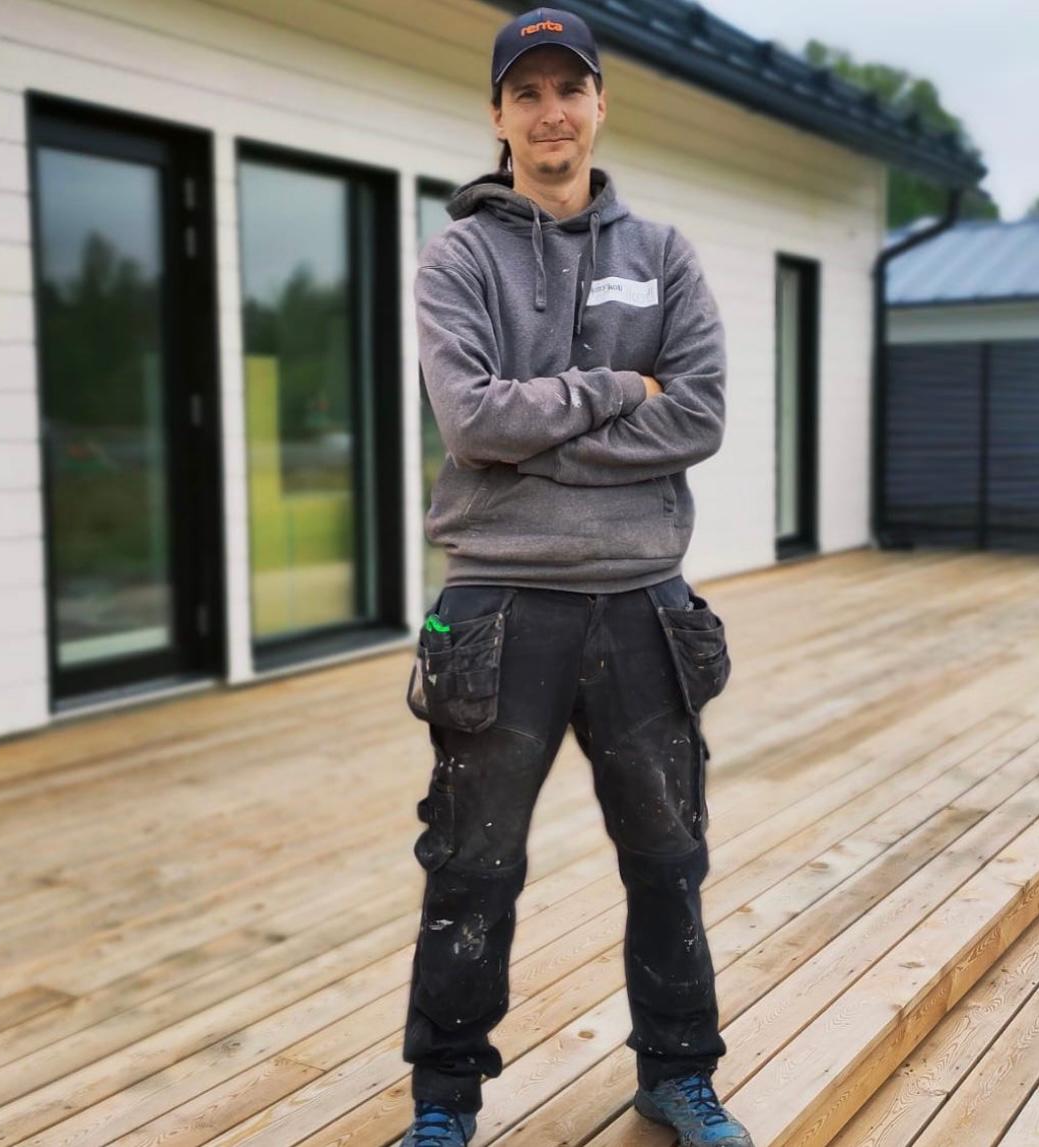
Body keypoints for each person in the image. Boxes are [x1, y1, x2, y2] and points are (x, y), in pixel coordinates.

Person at [398, 8, 753, 1146]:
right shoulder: (456, 258)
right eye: (527, 91)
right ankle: (444, 1105)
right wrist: (612, 389)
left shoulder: (662, 257)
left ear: (600, 104)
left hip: (644, 601)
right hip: (497, 603)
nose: (550, 111)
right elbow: (470, 420)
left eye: (570, 88)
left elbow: (695, 417)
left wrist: (535, 419)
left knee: (667, 856)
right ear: (497, 117)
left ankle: (677, 1075)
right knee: (469, 864)